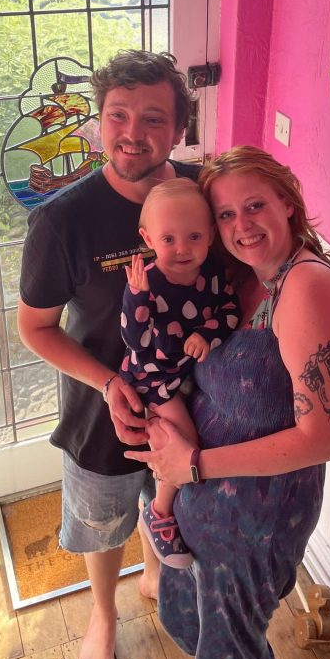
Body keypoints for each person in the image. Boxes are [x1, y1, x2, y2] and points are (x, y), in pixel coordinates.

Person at [124, 146, 330, 659]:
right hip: (201, 502)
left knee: (237, 644)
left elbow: (320, 439)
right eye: (224, 215)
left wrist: (193, 467)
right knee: (208, 621)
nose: (240, 225)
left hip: (257, 513)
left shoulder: (305, 289)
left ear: (288, 204)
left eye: (254, 206)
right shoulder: (232, 278)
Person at [17, 49, 198, 659]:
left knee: (168, 500)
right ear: (98, 122)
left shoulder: (205, 193)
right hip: (103, 414)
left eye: (153, 118)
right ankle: (102, 611)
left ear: (179, 127)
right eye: (117, 115)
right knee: (101, 520)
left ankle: (154, 576)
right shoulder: (62, 221)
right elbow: (35, 327)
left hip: (192, 407)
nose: (132, 132)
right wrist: (105, 382)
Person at [120, 178, 239, 568]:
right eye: (168, 239)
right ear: (148, 238)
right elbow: (134, 341)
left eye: (193, 237)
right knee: (181, 442)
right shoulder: (147, 283)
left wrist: (208, 333)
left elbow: (229, 313)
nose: (182, 249)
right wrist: (137, 297)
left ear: (210, 237)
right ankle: (159, 511)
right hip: (152, 379)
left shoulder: (215, 274)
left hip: (185, 373)